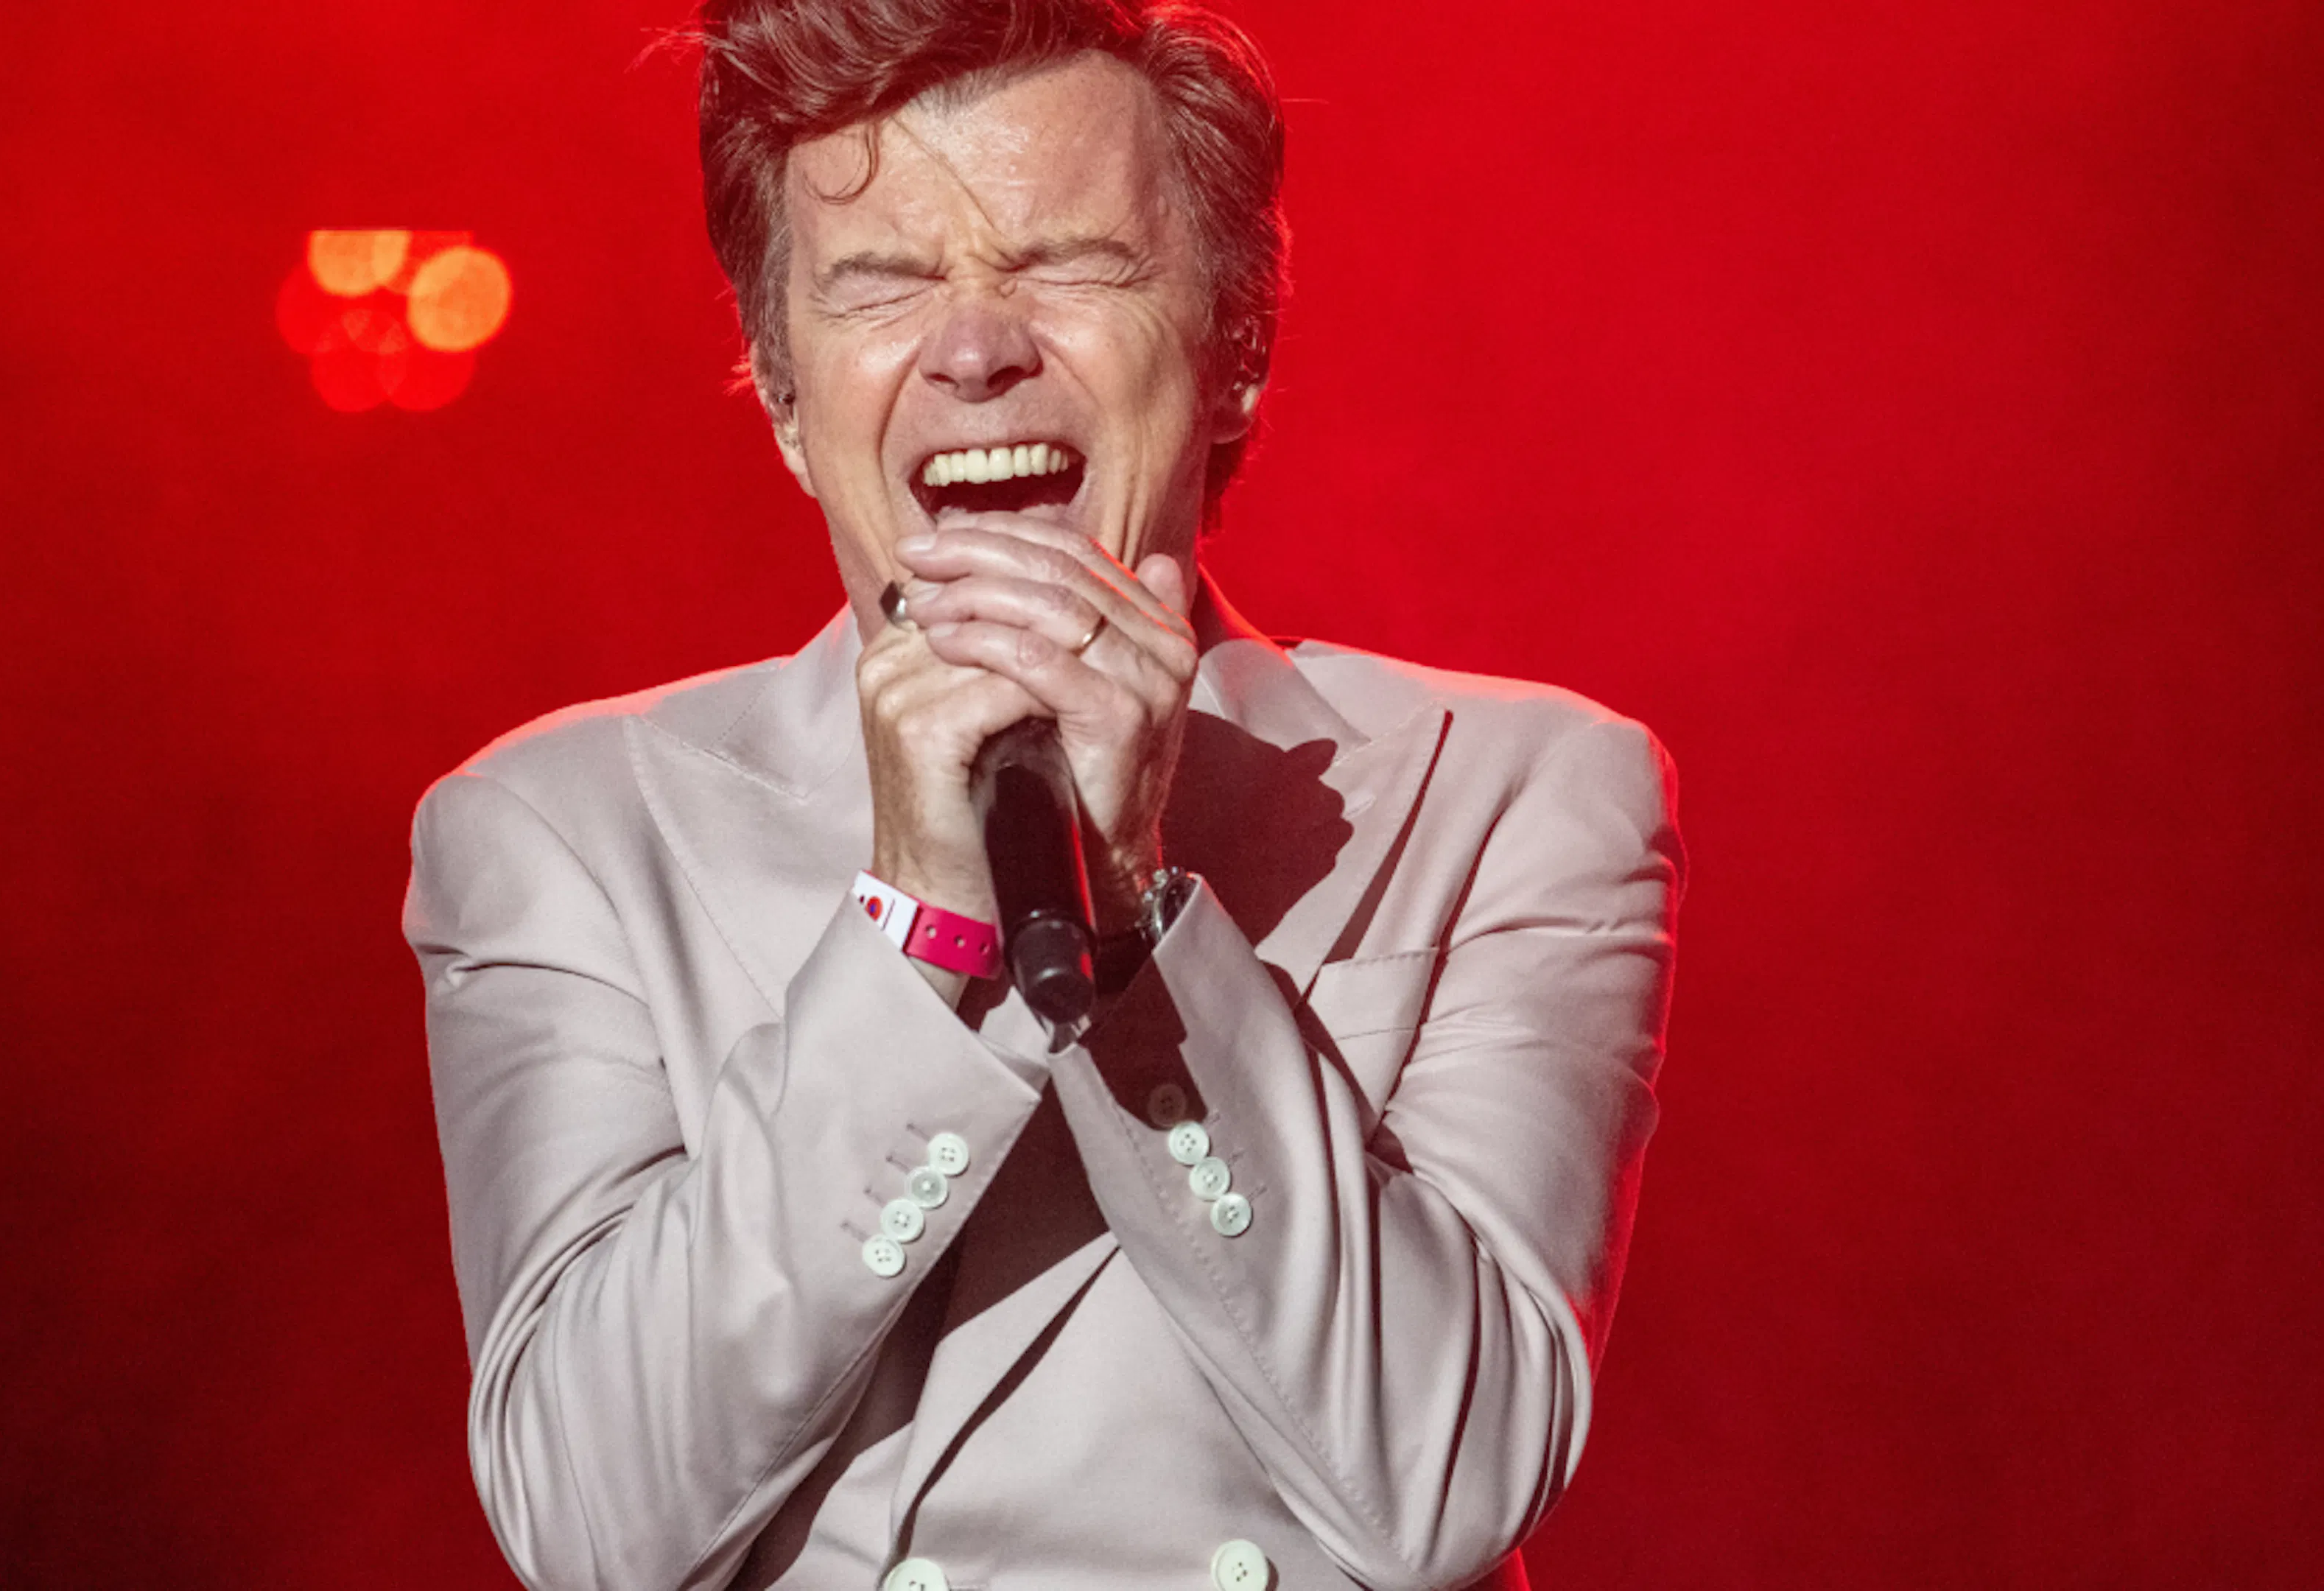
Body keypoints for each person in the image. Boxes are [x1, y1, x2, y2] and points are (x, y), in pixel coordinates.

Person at [401, 1, 1684, 1586]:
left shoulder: (1514, 793)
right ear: (792, 405)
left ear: (1239, 358)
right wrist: (917, 933)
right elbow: (590, 1524)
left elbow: (1450, 1478)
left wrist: (1135, 919)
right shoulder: (563, 833)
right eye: (883, 288)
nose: (975, 346)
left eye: (1069, 265)